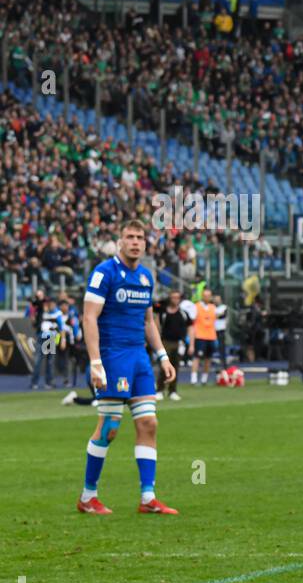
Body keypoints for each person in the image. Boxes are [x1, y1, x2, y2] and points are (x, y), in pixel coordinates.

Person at [78, 219, 178, 515]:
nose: (135, 242)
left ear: (145, 244)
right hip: (112, 356)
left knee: (149, 423)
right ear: (119, 242)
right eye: (129, 237)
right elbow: (89, 318)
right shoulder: (104, 272)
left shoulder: (146, 277)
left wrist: (162, 355)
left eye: (140, 237)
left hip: (139, 359)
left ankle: (148, 498)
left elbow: (148, 321)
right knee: (109, 427)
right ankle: (88, 497)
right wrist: (96, 362)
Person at [156, 290, 191, 400]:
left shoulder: (183, 313)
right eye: (173, 297)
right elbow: (156, 324)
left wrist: (190, 343)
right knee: (163, 367)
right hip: (165, 342)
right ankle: (160, 389)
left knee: (175, 367)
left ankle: (172, 391)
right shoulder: (164, 312)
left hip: (178, 343)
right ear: (170, 299)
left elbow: (190, 327)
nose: (175, 300)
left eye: (177, 298)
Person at [189, 288, 219, 385]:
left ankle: (204, 379)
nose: (207, 297)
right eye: (205, 295)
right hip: (200, 336)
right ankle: (193, 379)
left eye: (208, 295)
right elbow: (192, 322)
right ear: (202, 296)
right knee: (197, 357)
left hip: (211, 336)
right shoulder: (196, 306)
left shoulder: (213, 307)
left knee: (208, 358)